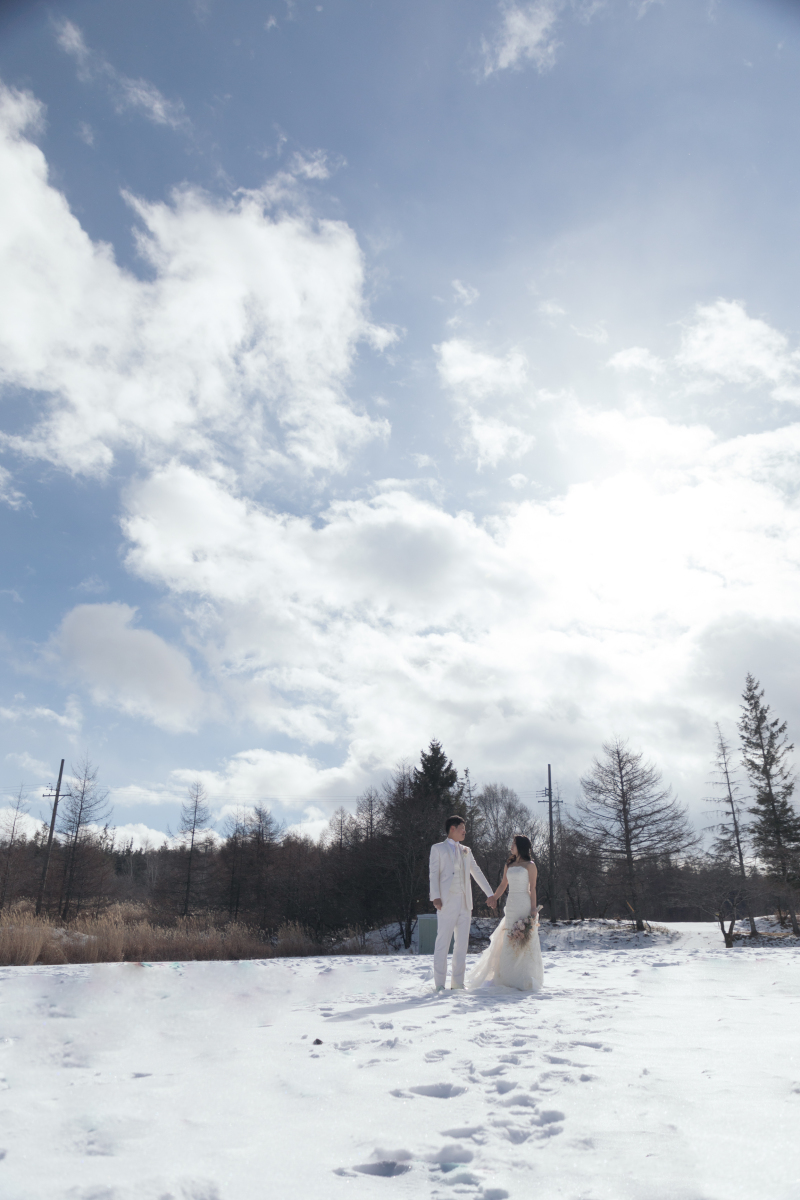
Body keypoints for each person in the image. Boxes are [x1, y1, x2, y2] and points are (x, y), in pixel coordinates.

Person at [466, 834, 544, 992]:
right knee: (510, 937)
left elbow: (533, 887)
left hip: (525, 903)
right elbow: (503, 884)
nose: (511, 846)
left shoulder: (530, 865)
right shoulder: (509, 864)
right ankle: (509, 977)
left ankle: (525, 976)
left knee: (525, 939)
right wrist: (494, 897)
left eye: (514, 844)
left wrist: (534, 909)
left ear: (520, 846)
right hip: (512, 904)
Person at [429, 815, 496, 991]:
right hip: (446, 901)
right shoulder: (438, 849)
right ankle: (439, 984)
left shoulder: (467, 850)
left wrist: (491, 894)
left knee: (462, 944)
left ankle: (457, 983)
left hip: (465, 903)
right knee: (443, 942)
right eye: (462, 828)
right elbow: (433, 874)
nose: (465, 832)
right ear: (452, 828)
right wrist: (435, 896)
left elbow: (477, 872)